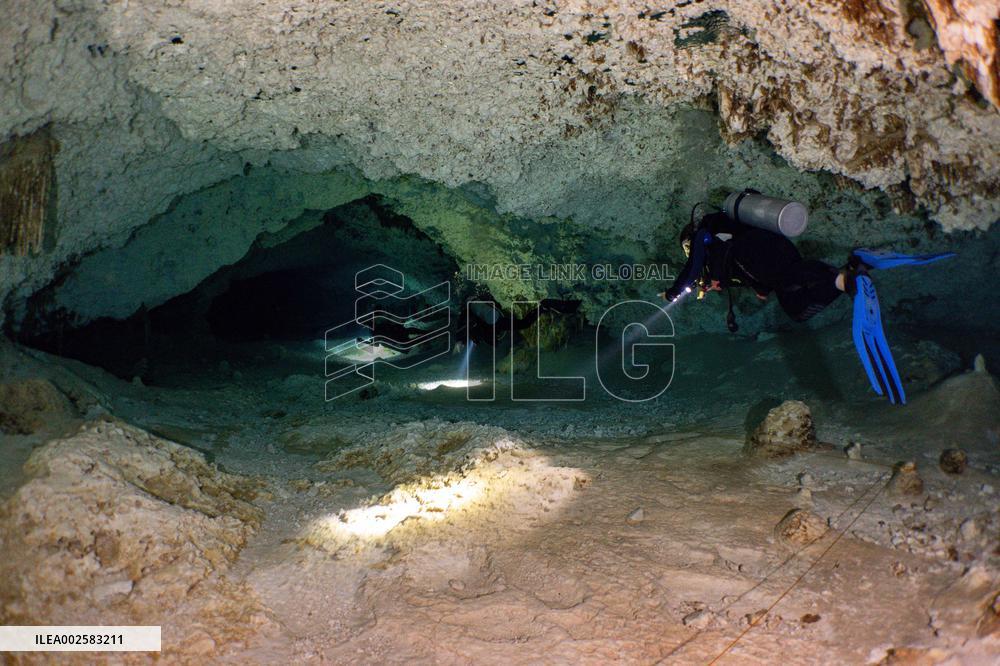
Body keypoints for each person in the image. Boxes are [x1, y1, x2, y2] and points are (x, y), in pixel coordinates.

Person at [660, 197, 953, 405]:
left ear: (690, 239)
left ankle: (850, 276)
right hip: (778, 250)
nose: (690, 252)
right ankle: (850, 273)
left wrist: (673, 293)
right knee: (796, 290)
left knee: (795, 299)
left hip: (760, 255)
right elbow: (742, 265)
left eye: (687, 248)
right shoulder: (731, 233)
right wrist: (753, 286)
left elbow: (695, 267)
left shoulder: (703, 235)